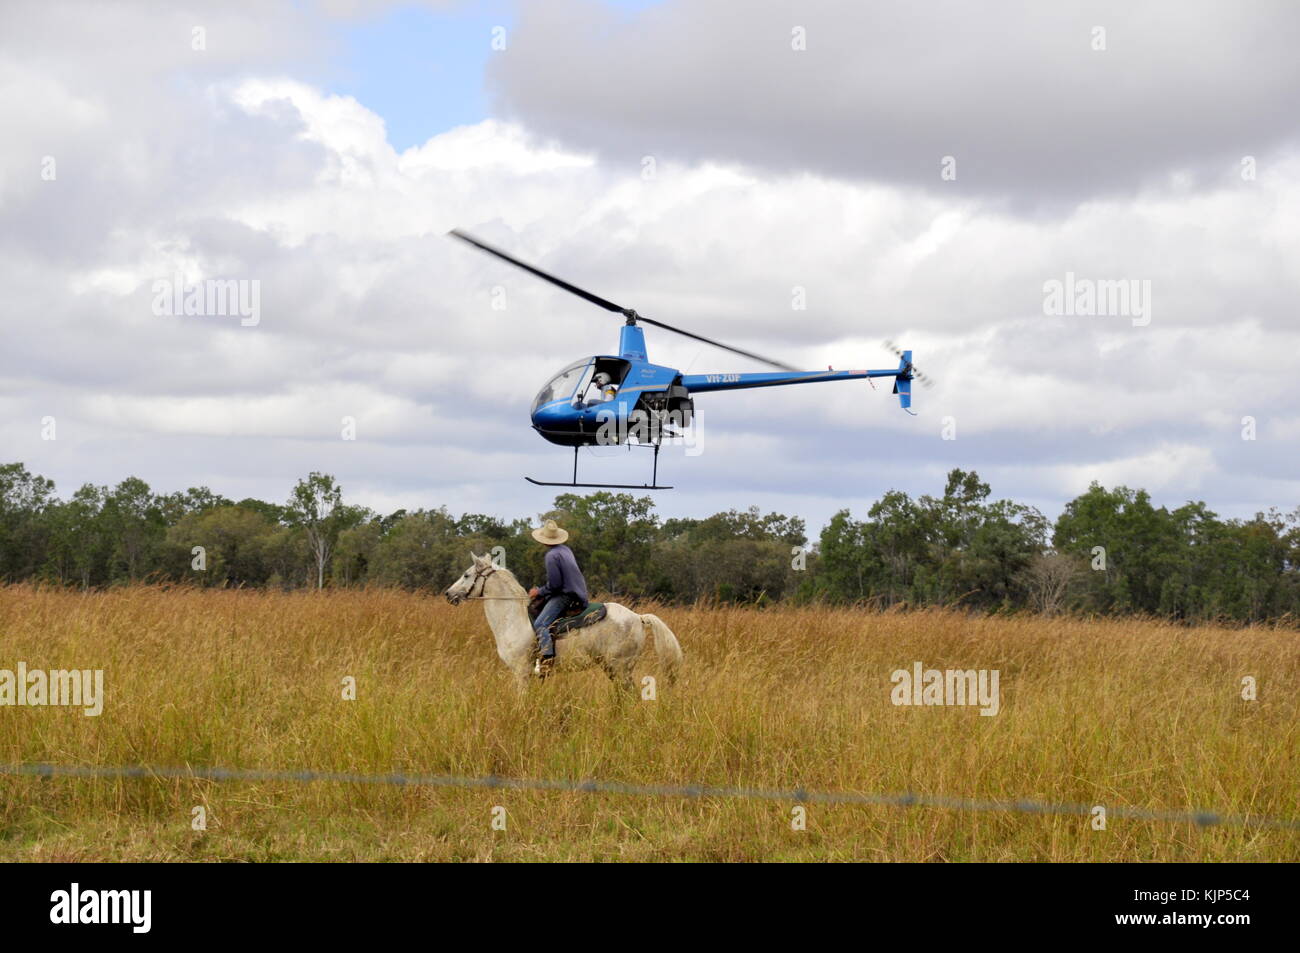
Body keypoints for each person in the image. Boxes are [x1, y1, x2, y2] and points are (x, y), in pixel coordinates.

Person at [528, 519, 589, 677]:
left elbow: (555, 585)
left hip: (566, 596)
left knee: (540, 623)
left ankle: (547, 661)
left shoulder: (551, 556)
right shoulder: (565, 550)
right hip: (579, 593)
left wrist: (538, 592)